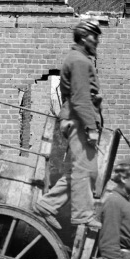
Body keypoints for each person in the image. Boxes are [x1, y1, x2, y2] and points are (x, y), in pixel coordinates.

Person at [35, 19, 104, 232]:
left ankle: (47, 204)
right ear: (84, 37)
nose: (97, 41)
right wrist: (91, 127)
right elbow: (81, 97)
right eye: (94, 36)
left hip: (76, 118)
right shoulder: (80, 62)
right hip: (79, 120)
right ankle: (82, 215)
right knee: (84, 169)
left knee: (84, 171)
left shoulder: (77, 59)